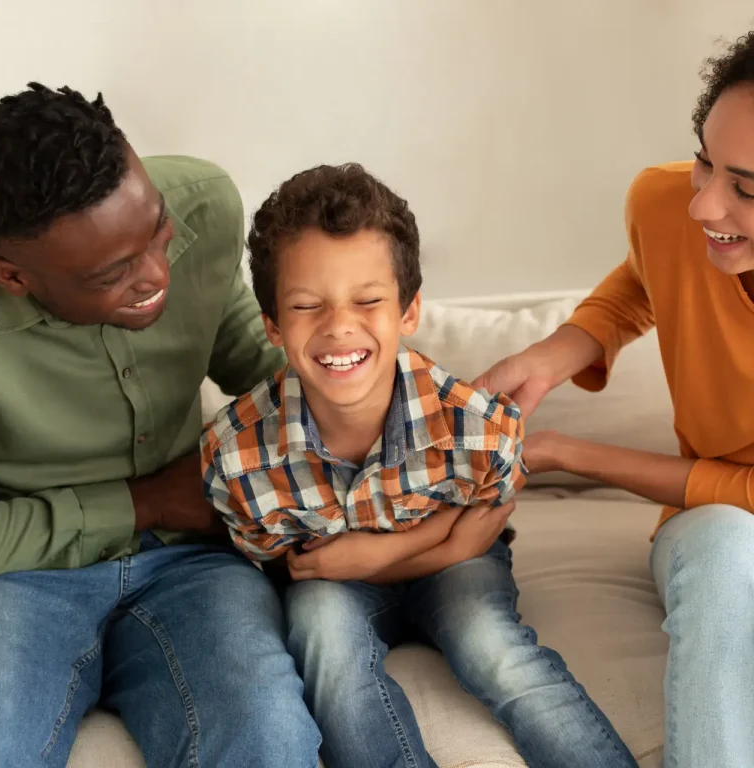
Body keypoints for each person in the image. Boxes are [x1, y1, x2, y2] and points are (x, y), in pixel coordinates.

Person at [201, 163, 639, 768]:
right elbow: (299, 570)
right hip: (337, 587)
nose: (338, 327)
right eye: (307, 305)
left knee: (491, 645)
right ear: (273, 324)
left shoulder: (477, 425)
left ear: (408, 312)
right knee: (322, 627)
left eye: (368, 301)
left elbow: (487, 516)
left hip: (455, 571)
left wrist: (387, 554)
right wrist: (442, 541)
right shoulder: (236, 456)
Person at [0, 83, 321, 768]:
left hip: (194, 561)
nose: (157, 273)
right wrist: (142, 502)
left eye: (159, 233)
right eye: (115, 271)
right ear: (12, 276)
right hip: (18, 573)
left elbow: (252, 361)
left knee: (268, 739)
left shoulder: (203, 199)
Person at [472, 30, 754, 768]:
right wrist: (550, 357)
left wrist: (569, 451)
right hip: (718, 529)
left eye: (746, 188)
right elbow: (645, 280)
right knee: (726, 544)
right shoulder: (666, 205)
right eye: (703, 161)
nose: (705, 205)